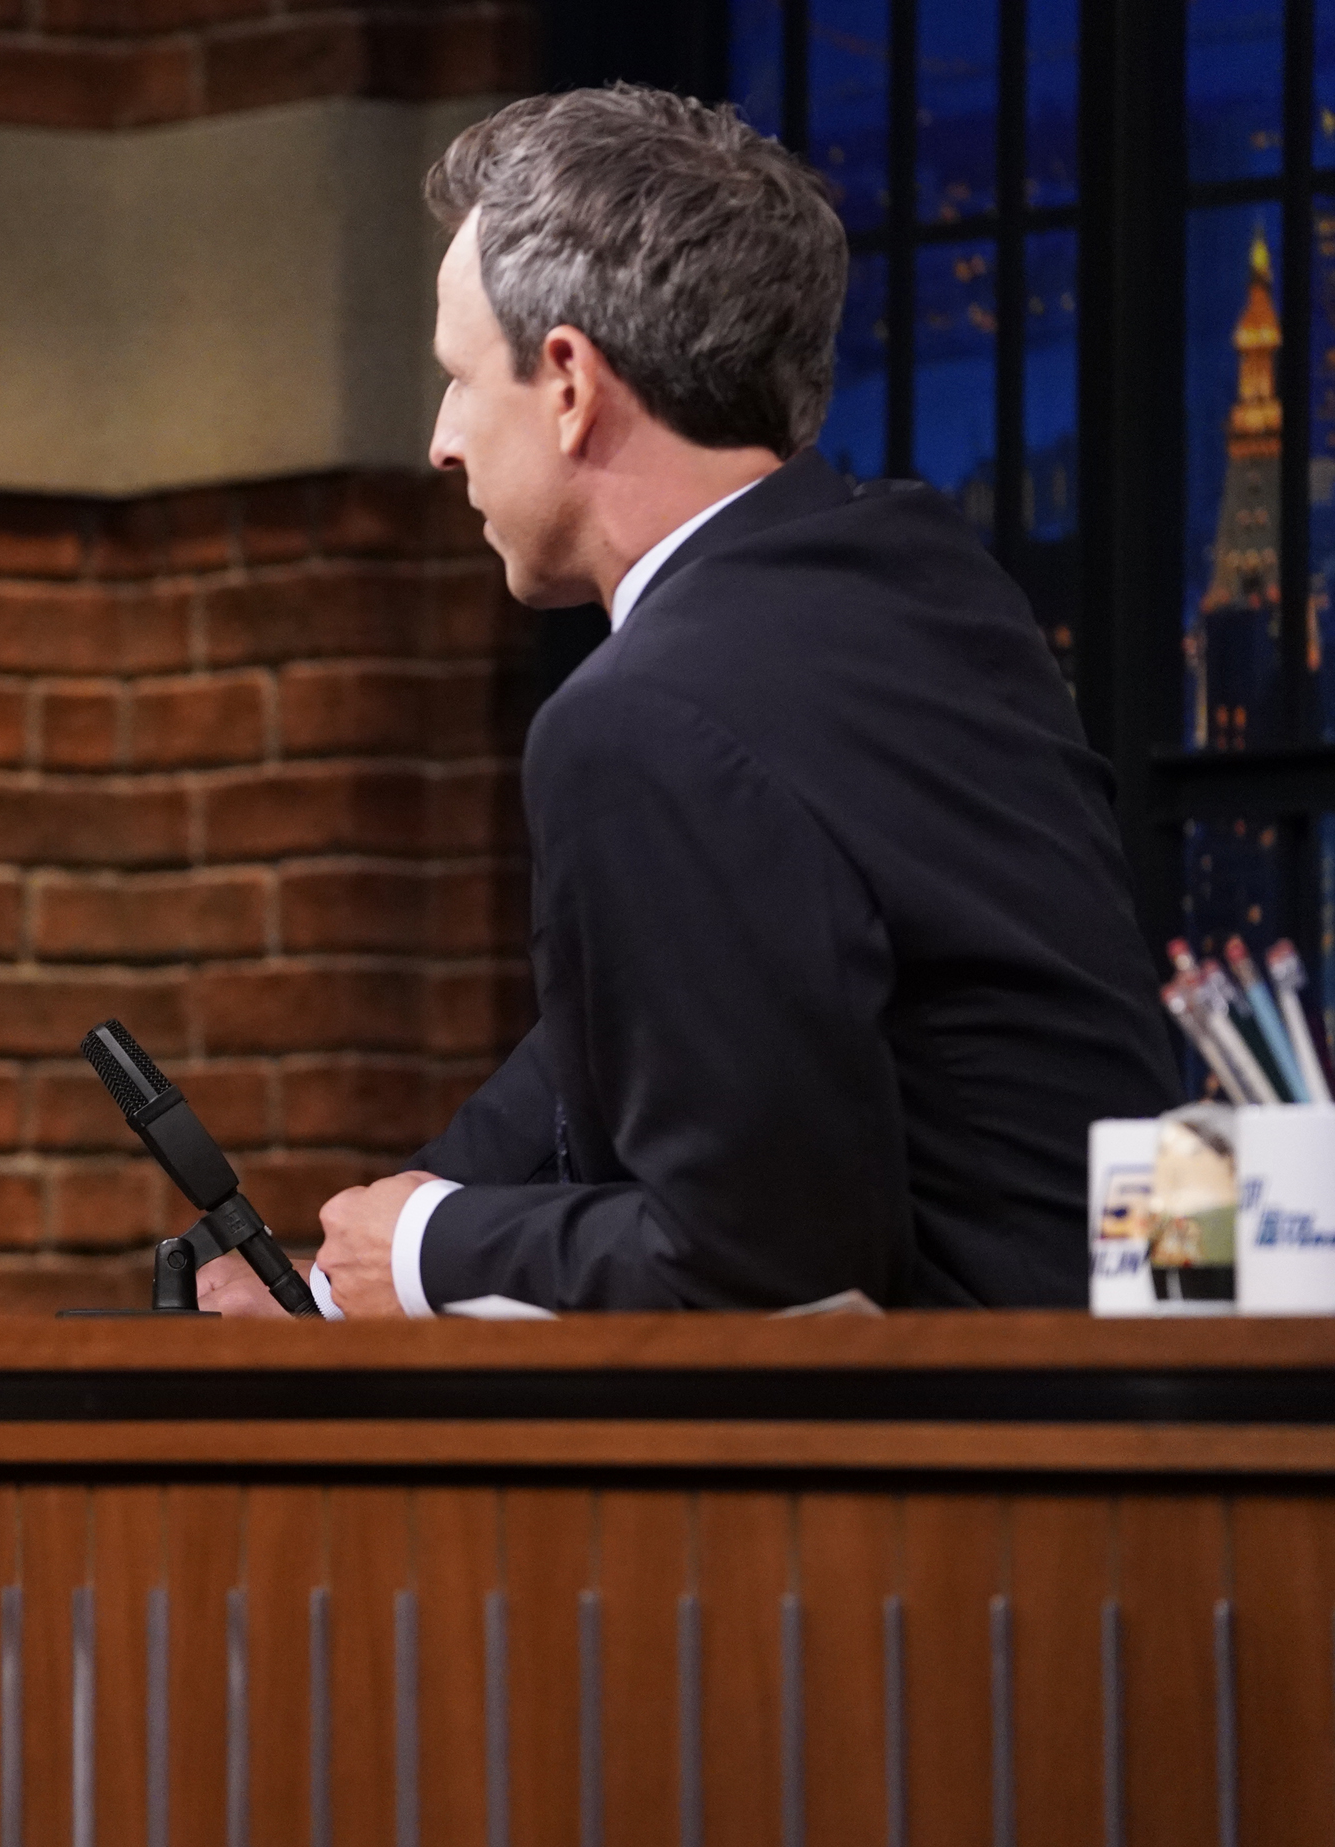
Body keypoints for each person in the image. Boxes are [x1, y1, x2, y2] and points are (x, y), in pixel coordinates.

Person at [203, 86, 1178, 1318]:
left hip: (962, 1471)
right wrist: (341, 1279)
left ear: (568, 381)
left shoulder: (647, 714)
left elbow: (766, 1264)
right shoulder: (916, 584)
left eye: (458, 378)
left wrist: (425, 1251)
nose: (442, 440)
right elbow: (648, 1019)